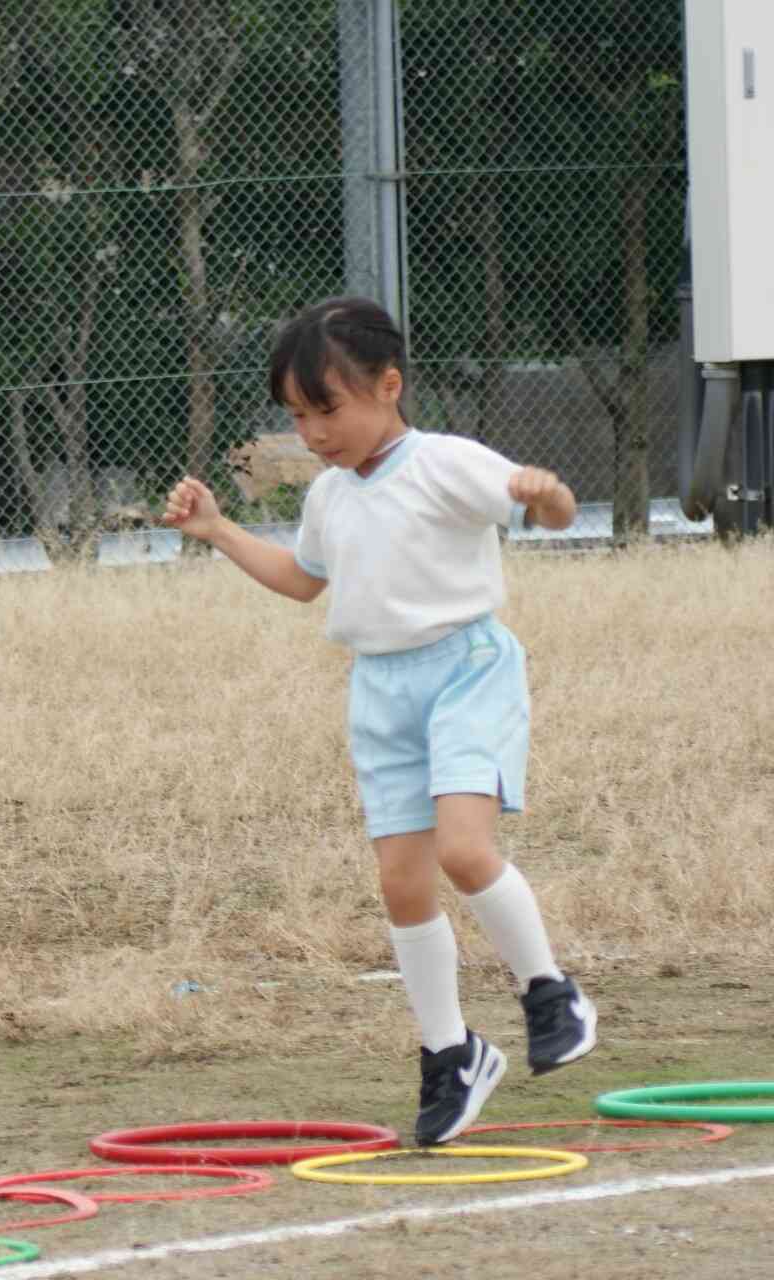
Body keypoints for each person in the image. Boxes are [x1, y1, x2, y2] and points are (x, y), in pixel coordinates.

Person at [162, 296, 597, 1145]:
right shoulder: (328, 495)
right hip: (381, 692)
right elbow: (302, 579)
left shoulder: (445, 462)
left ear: (389, 386)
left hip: (466, 670)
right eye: (297, 415)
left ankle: (550, 992)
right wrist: (216, 530)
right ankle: (452, 1055)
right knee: (403, 885)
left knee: (466, 852)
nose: (314, 431)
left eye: (327, 409)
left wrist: (548, 496)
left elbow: (554, 511)